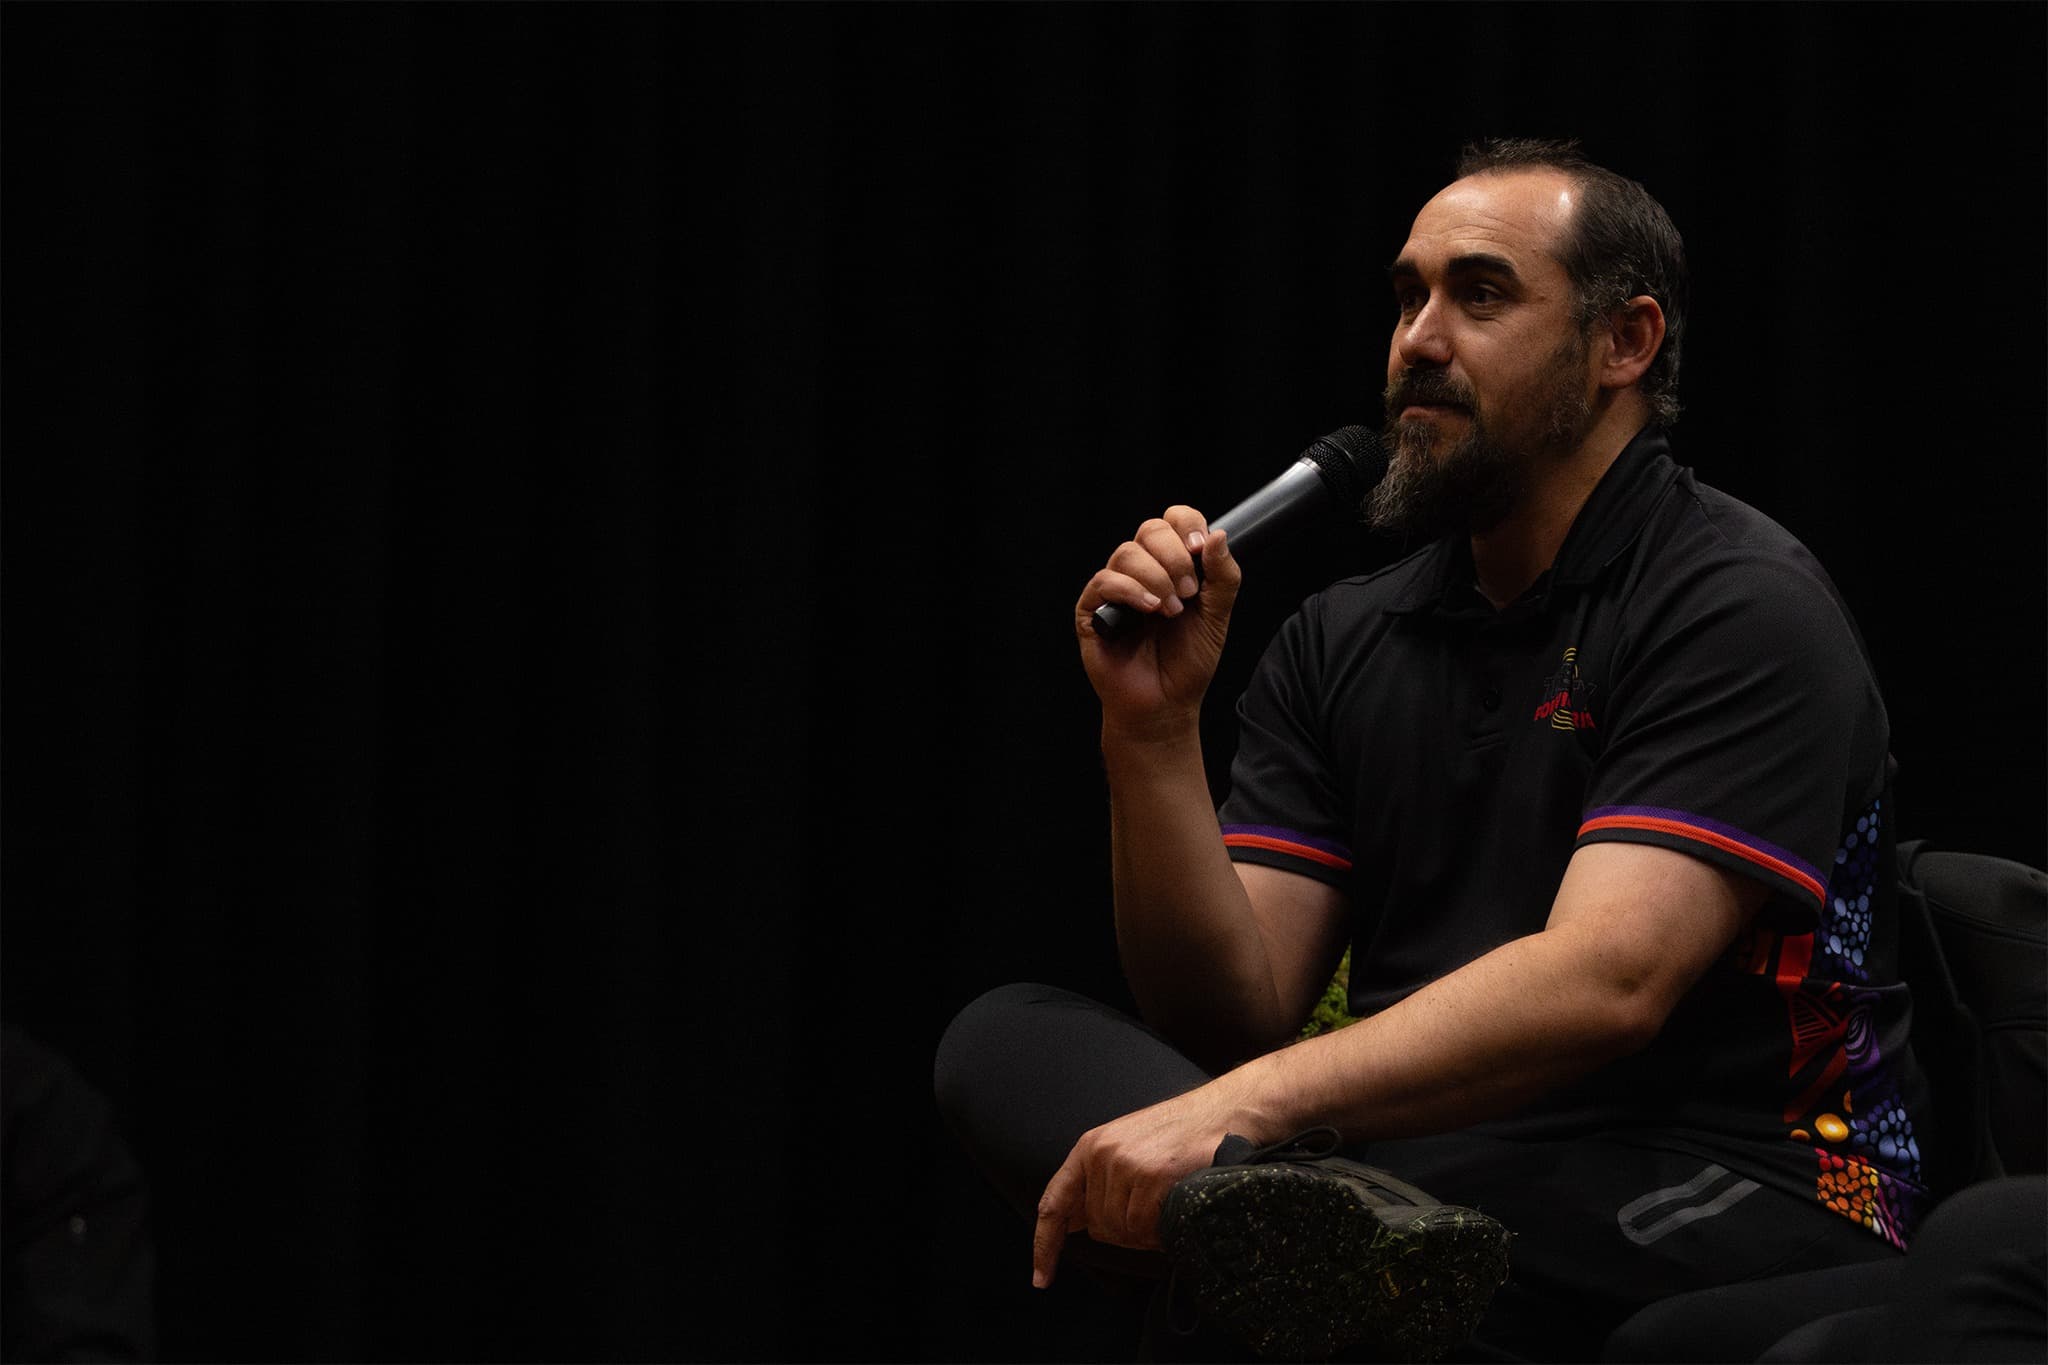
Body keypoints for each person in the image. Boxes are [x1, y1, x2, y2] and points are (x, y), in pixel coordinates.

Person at [934, 138, 1931, 1362]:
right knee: (1007, 1036)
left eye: (1479, 293)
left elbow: (1606, 982)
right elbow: (1232, 1014)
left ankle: (1282, 1227)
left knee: (1331, 1276)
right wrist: (1148, 734)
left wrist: (1241, 1113)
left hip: (1740, 1166)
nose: (1417, 336)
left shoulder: (1734, 600)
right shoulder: (1343, 634)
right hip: (1400, 1156)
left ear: (1624, 343)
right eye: (1407, 295)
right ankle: (1288, 1223)